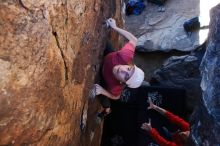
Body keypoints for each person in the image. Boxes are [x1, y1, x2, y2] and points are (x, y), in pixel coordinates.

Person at [94, 18, 145, 115]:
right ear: (130, 65)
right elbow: (134, 39)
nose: (123, 70)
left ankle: (107, 110)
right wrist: (115, 27)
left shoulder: (115, 86)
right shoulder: (125, 56)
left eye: (126, 76)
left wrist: (103, 91)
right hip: (109, 57)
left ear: (122, 82)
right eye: (129, 69)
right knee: (104, 41)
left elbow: (116, 97)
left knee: (102, 95)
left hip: (105, 78)